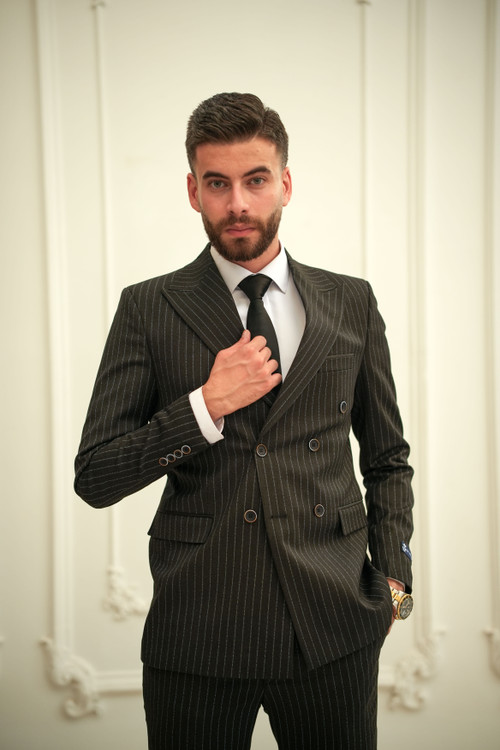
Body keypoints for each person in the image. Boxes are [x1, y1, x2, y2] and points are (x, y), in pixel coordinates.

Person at [75, 92, 414, 749]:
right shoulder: (148, 308)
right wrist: (205, 406)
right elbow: (95, 476)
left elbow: (387, 458)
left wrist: (396, 588)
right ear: (193, 191)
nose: (238, 203)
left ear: (285, 183)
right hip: (199, 627)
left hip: (336, 625)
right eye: (217, 183)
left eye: (256, 180)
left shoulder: (350, 301)